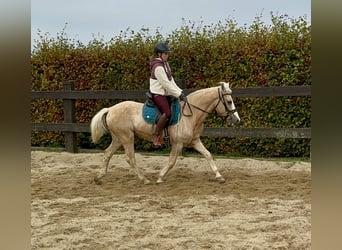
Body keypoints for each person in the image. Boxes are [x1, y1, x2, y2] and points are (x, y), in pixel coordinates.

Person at [149, 41, 187, 147]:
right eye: (165, 53)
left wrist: (180, 91)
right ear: (159, 54)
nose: (167, 55)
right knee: (167, 113)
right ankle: (156, 135)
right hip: (158, 94)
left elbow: (171, 80)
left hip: (166, 93)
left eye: (167, 53)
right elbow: (166, 84)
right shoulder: (158, 67)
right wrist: (178, 94)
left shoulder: (165, 64)